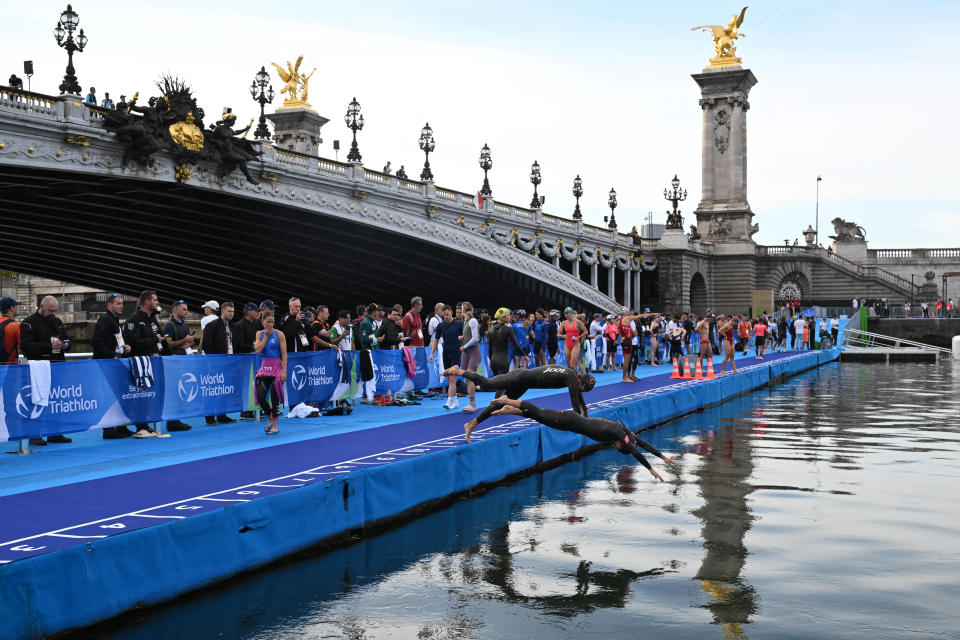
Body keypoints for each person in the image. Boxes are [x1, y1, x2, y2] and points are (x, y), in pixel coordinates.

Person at [488, 396, 676, 481]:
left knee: (538, 416)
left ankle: (509, 410)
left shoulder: (627, 433)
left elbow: (642, 444)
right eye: (618, 448)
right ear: (621, 445)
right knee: (539, 412)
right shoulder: (620, 435)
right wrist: (651, 469)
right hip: (569, 420)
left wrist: (663, 458)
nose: (615, 447)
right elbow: (636, 451)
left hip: (570, 422)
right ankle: (508, 400)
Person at [444, 363, 595, 442]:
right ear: (580, 381)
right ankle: (458, 371)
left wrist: (585, 421)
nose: (581, 391)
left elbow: (580, 401)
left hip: (525, 383)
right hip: (520, 376)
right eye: (583, 389)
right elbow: (576, 404)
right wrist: (583, 428)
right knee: (488, 384)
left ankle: (471, 425)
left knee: (500, 403)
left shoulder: (574, 375)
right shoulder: (572, 378)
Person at [91, 293, 138, 438]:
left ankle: (121, 427)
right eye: (118, 303)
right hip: (106, 364)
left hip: (113, 363)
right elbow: (96, 342)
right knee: (109, 396)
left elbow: (114, 341)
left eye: (122, 303)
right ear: (109, 305)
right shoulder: (105, 320)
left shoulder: (114, 320)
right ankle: (109, 430)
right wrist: (111, 355)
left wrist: (124, 347)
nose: (121, 306)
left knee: (120, 395)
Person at [121, 290, 166, 438]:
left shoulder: (152, 319)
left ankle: (146, 424)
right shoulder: (134, 319)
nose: (157, 302)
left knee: (150, 396)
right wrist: (155, 339)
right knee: (140, 395)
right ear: (146, 302)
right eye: (155, 300)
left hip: (155, 362)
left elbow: (160, 339)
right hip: (140, 364)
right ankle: (140, 426)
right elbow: (134, 343)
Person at [201, 302, 238, 425]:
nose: (231, 314)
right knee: (213, 390)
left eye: (232, 311)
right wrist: (215, 361)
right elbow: (206, 345)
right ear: (222, 311)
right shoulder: (212, 326)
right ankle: (209, 417)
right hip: (215, 363)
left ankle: (222, 415)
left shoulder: (233, 326)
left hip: (229, 361)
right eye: (229, 311)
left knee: (225, 389)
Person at [253, 311, 287, 435]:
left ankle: (275, 424)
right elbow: (258, 350)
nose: (270, 324)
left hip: (277, 367)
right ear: (263, 322)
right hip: (265, 368)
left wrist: (284, 371)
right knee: (260, 396)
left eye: (272, 322)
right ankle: (270, 418)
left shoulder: (279, 334)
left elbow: (284, 353)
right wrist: (266, 336)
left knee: (275, 396)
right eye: (268, 322)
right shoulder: (259, 334)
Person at [429, 305, 463, 409]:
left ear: (452, 312)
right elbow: (436, 340)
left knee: (452, 379)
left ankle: (448, 401)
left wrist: (463, 342)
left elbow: (467, 337)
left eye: (447, 314)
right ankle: (456, 401)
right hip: (445, 353)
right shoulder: (440, 326)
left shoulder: (459, 324)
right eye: (444, 315)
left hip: (456, 353)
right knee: (449, 379)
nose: (446, 317)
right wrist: (431, 353)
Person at [459, 302, 481, 412]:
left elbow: (476, 338)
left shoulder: (472, 320)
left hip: (473, 352)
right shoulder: (466, 321)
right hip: (466, 352)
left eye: (461, 309)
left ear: (464, 310)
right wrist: (463, 337)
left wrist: (464, 346)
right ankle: (471, 403)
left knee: (469, 377)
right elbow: (470, 336)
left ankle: (473, 405)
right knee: (467, 378)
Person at [559, 307, 587, 373]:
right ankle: (575, 377)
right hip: (567, 344)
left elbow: (586, 332)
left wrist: (578, 337)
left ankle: (577, 379)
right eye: (565, 314)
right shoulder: (564, 323)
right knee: (569, 366)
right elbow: (558, 333)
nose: (566, 315)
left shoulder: (577, 322)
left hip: (575, 344)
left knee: (572, 365)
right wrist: (562, 336)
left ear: (571, 313)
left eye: (567, 313)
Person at [0, 296, 23, 366]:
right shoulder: (16, 325)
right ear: (11, 308)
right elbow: (24, 347)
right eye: (16, 306)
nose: (17, 308)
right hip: (10, 366)